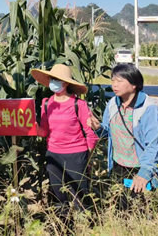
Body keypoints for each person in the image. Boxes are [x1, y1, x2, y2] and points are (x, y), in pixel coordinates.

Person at [87, 64, 158, 209]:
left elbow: (155, 145)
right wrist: (98, 128)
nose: (115, 85)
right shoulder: (112, 104)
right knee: (121, 206)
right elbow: (108, 133)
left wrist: (144, 173)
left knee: (139, 209)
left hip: (139, 167)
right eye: (113, 81)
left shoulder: (148, 109)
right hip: (118, 165)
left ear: (134, 84)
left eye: (120, 81)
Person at [30, 64, 98, 215]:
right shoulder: (46, 103)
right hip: (53, 155)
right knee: (58, 195)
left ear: (66, 82)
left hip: (76, 154)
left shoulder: (78, 104)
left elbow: (90, 133)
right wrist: (33, 127)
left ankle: (85, 225)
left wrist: (87, 156)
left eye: (56, 79)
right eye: (51, 78)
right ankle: (64, 226)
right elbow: (44, 131)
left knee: (79, 195)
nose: (52, 82)